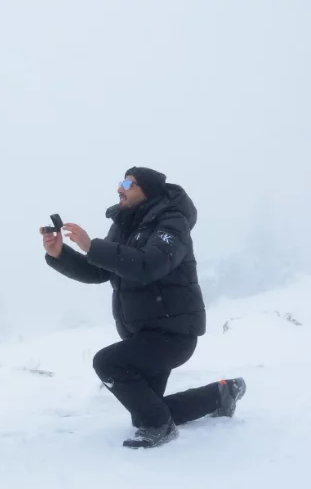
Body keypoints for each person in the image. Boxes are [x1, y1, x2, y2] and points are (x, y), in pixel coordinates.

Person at [42, 167, 247, 449]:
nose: (120, 188)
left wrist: (93, 245)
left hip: (173, 335)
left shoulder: (173, 222)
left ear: (148, 189)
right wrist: (60, 254)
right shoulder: (125, 225)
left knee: (109, 363)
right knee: (147, 412)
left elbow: (149, 264)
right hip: (143, 334)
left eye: (129, 183)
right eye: (120, 182)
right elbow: (100, 271)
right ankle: (220, 395)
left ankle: (161, 427)